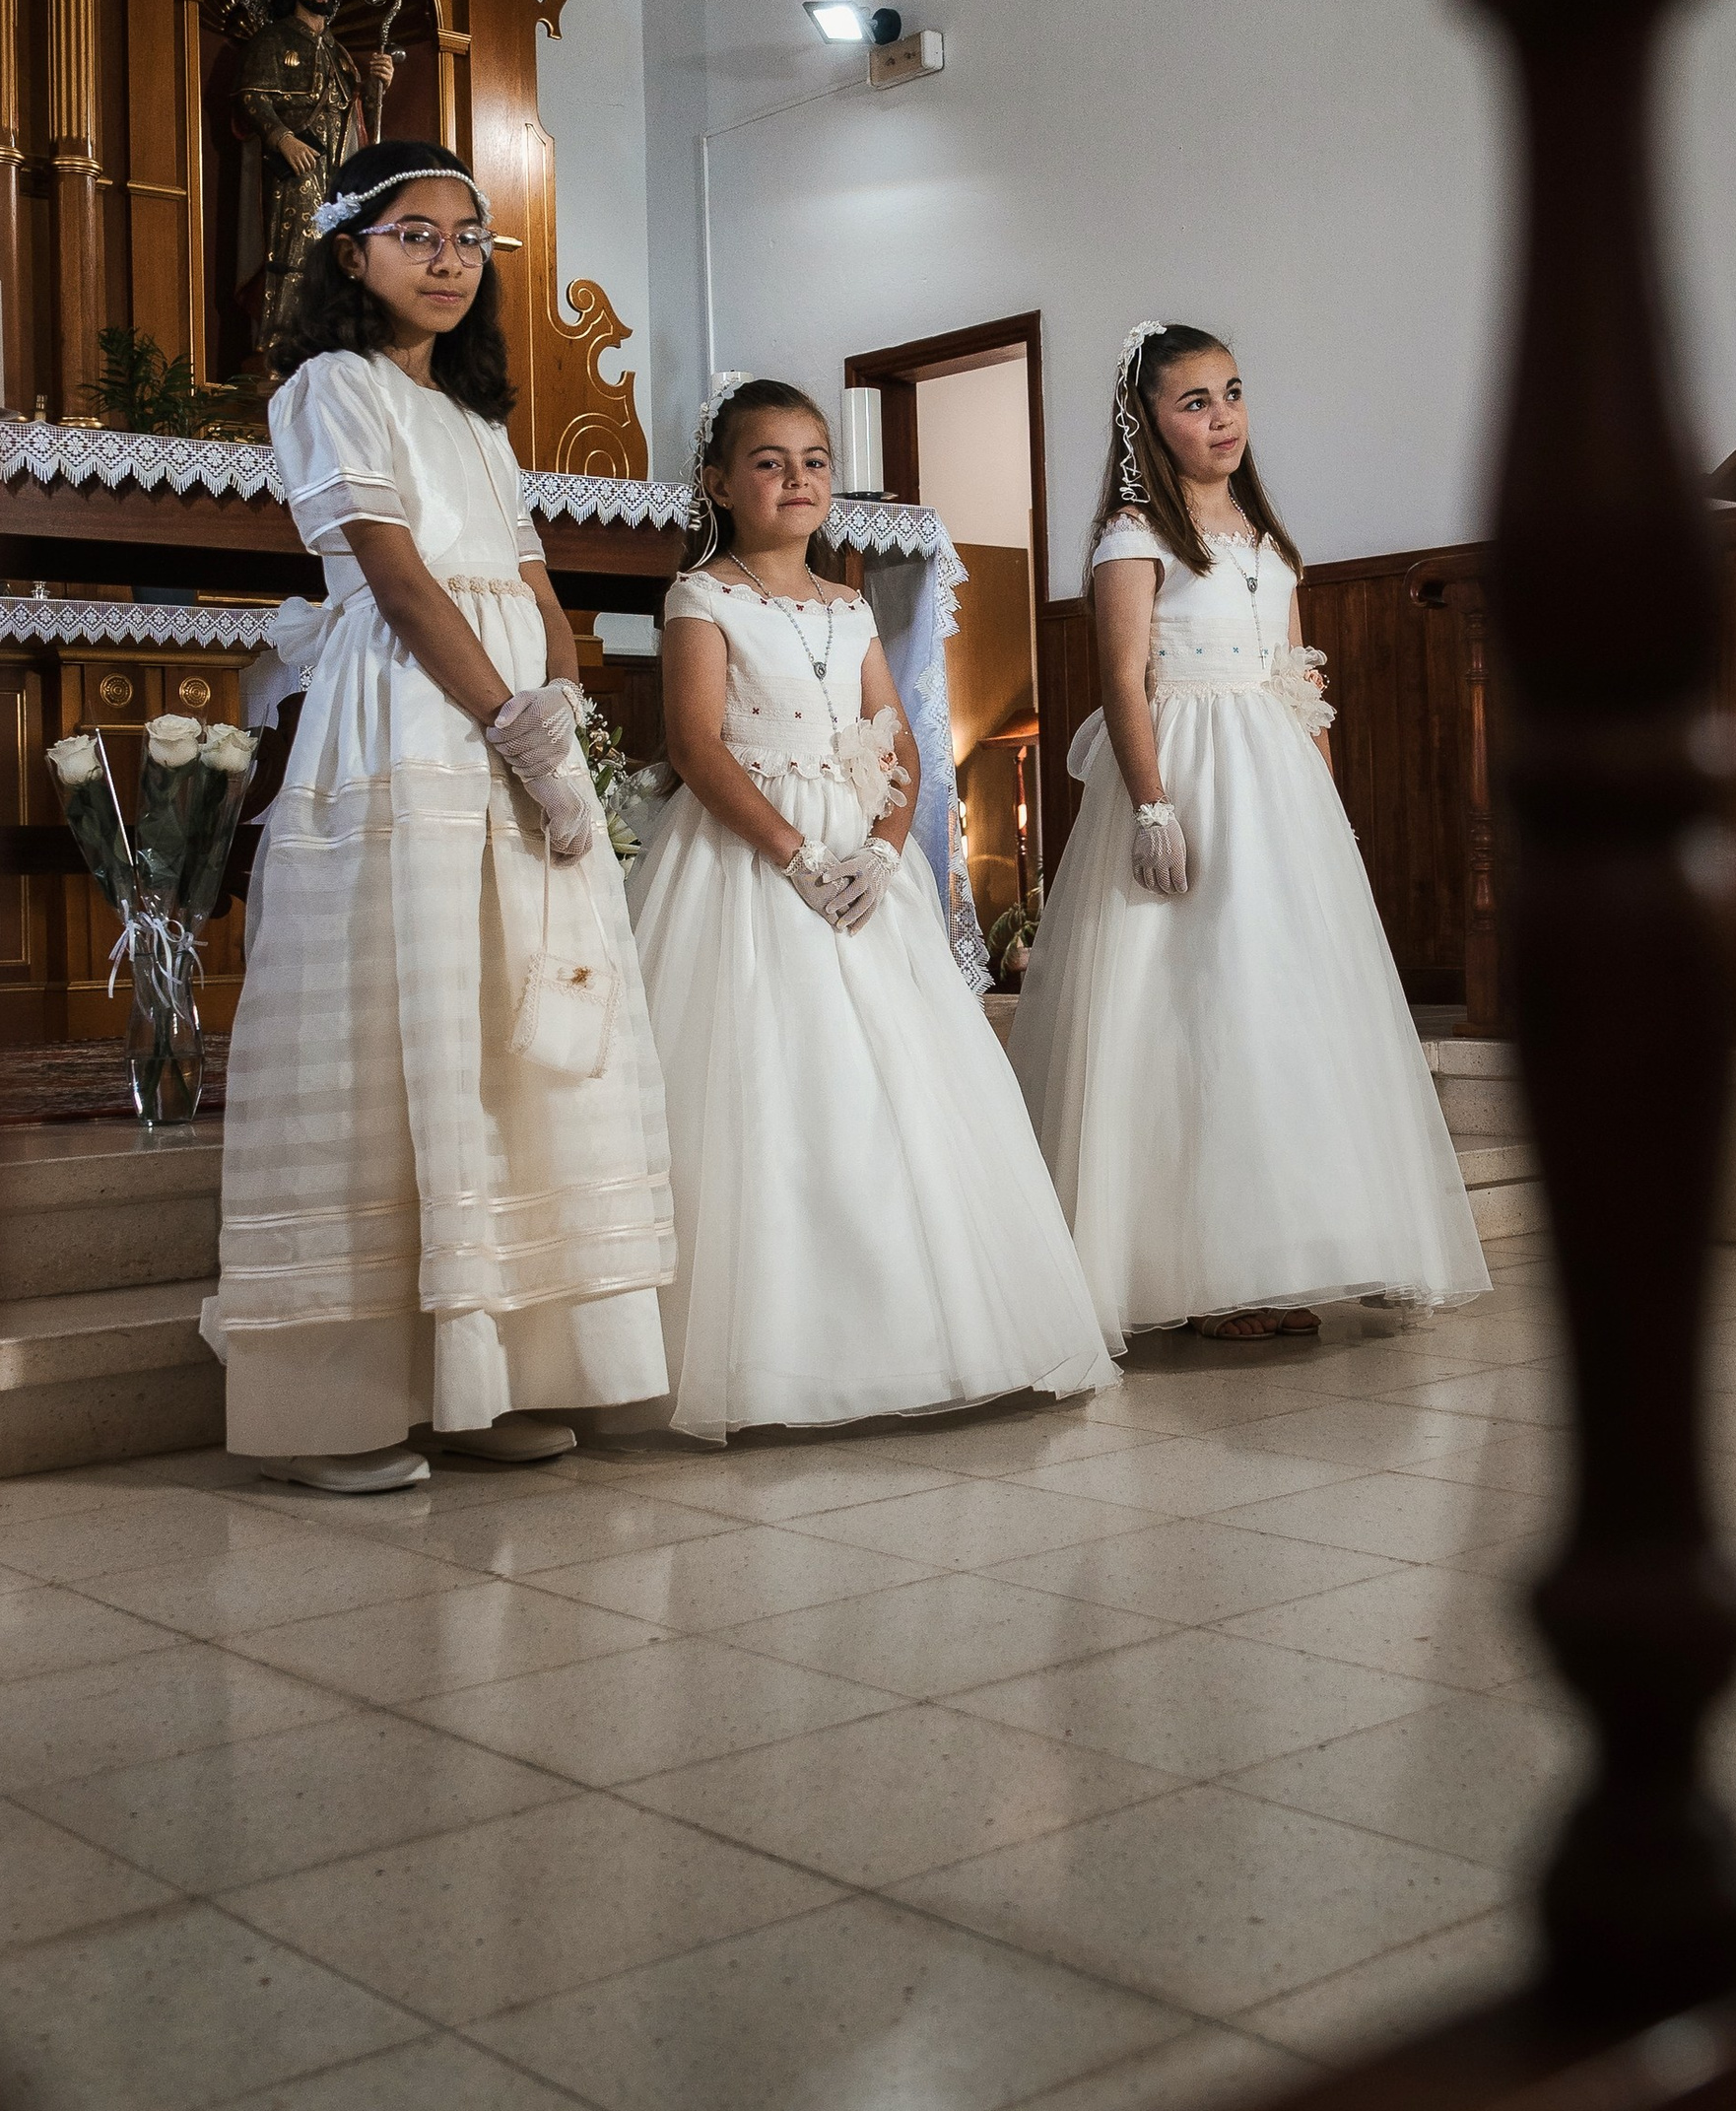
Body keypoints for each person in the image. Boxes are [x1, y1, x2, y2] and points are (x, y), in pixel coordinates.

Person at [204, 140, 677, 1489]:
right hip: (411, 719)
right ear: (350, 249)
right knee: (394, 1022)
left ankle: (484, 1378)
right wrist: (509, 721)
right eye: (419, 234)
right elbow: (404, 586)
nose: (451, 259)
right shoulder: (328, 386)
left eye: (470, 238)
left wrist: (565, 726)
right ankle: (338, 1410)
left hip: (509, 733)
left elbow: (534, 587)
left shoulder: (475, 417)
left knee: (495, 1031)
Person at [631, 375, 1113, 1442]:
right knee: (764, 1080)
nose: (796, 479)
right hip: (752, 855)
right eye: (768, 461)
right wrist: (795, 855)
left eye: (813, 461)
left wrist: (887, 853)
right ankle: (765, 1353)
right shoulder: (700, 598)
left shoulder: (846, 605)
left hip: (858, 849)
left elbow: (896, 738)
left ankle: (931, 1333)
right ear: (717, 482)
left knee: (900, 1084)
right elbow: (696, 746)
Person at [1011, 319, 1490, 1348]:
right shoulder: (1133, 539)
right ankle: (1196, 1274)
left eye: (1230, 393)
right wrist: (1149, 803)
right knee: (1186, 1005)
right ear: (1146, 419)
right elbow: (1123, 684)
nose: (1220, 417)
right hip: (1187, 771)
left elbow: (1294, 685)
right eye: (1193, 401)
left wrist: (1329, 816)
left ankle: (1288, 1251)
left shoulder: (1269, 547)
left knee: (1275, 1009)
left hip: (1273, 784)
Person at [235, 0, 389, 360]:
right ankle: (278, 349)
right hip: (297, 165)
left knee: (336, 254)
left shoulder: (339, 53)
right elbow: (252, 96)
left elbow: (358, 118)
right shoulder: (273, 39)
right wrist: (281, 138)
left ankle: (330, 347)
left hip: (338, 168)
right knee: (295, 251)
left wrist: (378, 83)